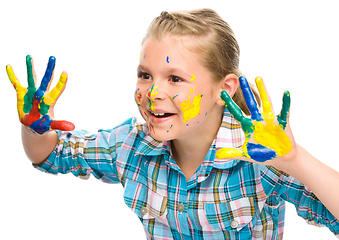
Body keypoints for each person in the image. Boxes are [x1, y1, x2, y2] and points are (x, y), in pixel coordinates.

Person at [6, 8, 339, 240]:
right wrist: (35, 129)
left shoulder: (260, 157)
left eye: (175, 78)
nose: (154, 92)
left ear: (224, 90)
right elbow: (52, 154)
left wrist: (295, 160)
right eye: (145, 75)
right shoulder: (131, 146)